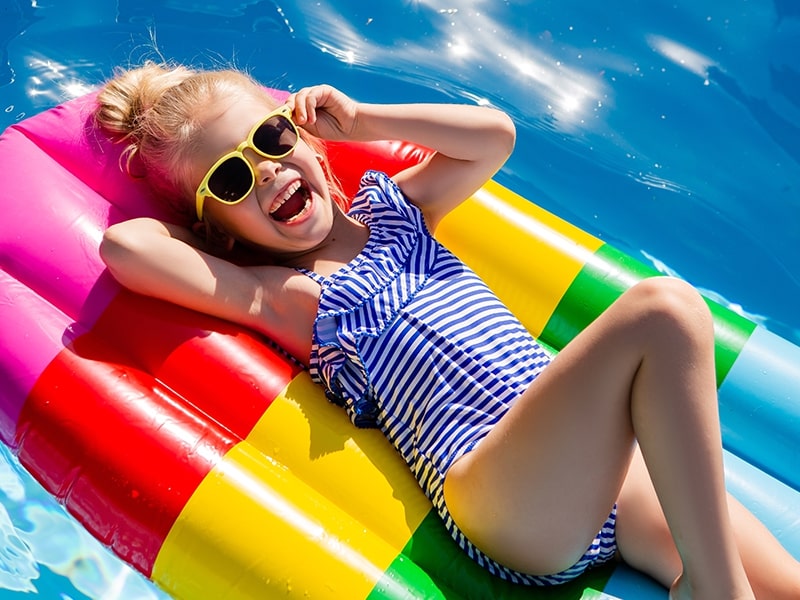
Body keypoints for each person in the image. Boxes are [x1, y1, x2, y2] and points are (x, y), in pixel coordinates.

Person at [95, 62, 799, 599]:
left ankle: (717, 581)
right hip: (499, 494)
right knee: (665, 310)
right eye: (228, 179)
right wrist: (201, 225)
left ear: (303, 131)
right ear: (215, 220)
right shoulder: (287, 296)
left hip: (602, 473)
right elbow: (124, 249)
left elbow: (496, 136)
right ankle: (715, 591)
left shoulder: (399, 211)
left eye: (271, 137)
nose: (265, 172)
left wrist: (362, 119)